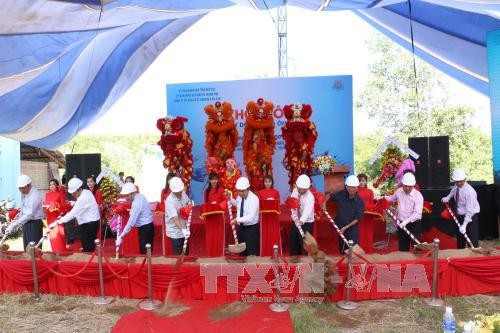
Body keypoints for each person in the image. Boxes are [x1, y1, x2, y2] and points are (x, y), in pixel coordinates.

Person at [50, 178, 101, 252]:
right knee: (88, 246)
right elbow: (82, 205)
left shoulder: (83, 198)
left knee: (88, 248)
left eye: (74, 192)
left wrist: (57, 222)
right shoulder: (86, 192)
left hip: (89, 225)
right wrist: (72, 203)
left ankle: (89, 261)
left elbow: (72, 215)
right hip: (90, 223)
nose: (73, 194)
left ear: (79, 189)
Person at [382, 173, 423, 251]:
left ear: (413, 185)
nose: (407, 188)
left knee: (417, 247)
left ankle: (418, 262)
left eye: (409, 186)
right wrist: (382, 198)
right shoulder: (399, 191)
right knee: (403, 248)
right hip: (401, 223)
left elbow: (417, 214)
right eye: (405, 186)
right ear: (402, 184)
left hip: (413, 224)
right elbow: (391, 198)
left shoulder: (418, 196)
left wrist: (406, 222)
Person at [441, 168, 480, 248]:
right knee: (460, 240)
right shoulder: (456, 186)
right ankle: (461, 255)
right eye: (456, 181)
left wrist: (464, 225)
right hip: (459, 215)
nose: (458, 183)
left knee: (472, 240)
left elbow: (469, 211)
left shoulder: (470, 192)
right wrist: (448, 197)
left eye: (461, 181)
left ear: (465, 179)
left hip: (470, 217)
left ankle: (473, 257)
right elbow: (453, 190)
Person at [327, 175, 365, 253]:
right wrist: (324, 203)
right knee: (342, 250)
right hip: (341, 227)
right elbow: (329, 195)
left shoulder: (360, 202)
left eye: (354, 187)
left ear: (357, 188)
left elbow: (357, 218)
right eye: (349, 187)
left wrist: (346, 227)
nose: (351, 189)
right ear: (346, 186)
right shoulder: (341, 194)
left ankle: (353, 264)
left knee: (353, 252)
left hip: (351, 229)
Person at [5, 175, 44, 249]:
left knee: (33, 250)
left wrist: (13, 225)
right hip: (26, 223)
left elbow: (28, 215)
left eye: (23, 188)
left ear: (29, 185)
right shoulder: (27, 193)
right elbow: (23, 209)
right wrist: (15, 220)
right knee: (26, 249)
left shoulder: (34, 196)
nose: (21, 190)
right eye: (20, 188)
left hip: (34, 224)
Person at [116, 183, 154, 254]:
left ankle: (146, 264)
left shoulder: (136, 203)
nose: (126, 198)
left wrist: (121, 236)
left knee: (145, 251)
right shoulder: (140, 196)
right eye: (125, 196)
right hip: (147, 226)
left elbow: (131, 222)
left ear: (132, 193)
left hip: (145, 228)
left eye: (127, 195)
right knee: (146, 250)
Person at [230, 177, 260, 256]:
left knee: (251, 253)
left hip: (251, 229)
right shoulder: (240, 196)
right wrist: (230, 199)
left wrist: (237, 220)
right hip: (241, 228)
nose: (240, 193)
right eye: (239, 191)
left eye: (243, 191)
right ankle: (242, 268)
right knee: (242, 253)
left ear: (248, 189)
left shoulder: (254, 199)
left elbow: (251, 217)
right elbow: (238, 204)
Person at [289, 174, 315, 256]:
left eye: (304, 189)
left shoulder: (310, 197)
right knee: (293, 242)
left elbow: (307, 212)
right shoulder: (295, 191)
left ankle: (305, 265)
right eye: (300, 189)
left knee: (305, 247)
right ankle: (293, 263)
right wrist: (295, 218)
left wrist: (301, 221)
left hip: (306, 223)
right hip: (296, 221)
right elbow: (292, 205)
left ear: (308, 188)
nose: (302, 191)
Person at [165, 177, 191, 255]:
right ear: (173, 191)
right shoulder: (170, 201)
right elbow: (175, 218)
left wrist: (190, 204)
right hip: (175, 231)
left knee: (186, 251)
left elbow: (188, 201)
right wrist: (182, 230)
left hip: (184, 226)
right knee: (178, 253)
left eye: (180, 190)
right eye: (178, 191)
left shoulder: (182, 193)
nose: (180, 192)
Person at [258, 175, 281, 256]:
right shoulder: (260, 193)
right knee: (265, 234)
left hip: (274, 217)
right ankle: (265, 252)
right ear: (263, 183)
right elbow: (259, 205)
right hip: (264, 217)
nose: (267, 183)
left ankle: (275, 252)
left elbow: (278, 204)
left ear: (272, 183)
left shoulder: (276, 192)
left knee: (273, 234)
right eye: (266, 182)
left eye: (269, 182)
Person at [44, 179, 66, 253]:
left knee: (59, 235)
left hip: (57, 217)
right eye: (50, 185)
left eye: (53, 184)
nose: (51, 186)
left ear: (57, 185)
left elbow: (63, 206)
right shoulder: (47, 194)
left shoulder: (60, 194)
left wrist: (57, 206)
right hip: (49, 216)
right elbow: (45, 204)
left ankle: (61, 251)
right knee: (52, 235)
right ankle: (53, 251)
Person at [357, 173, 375, 253]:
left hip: (368, 216)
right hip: (358, 215)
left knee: (368, 233)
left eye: (363, 181)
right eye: (359, 181)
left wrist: (372, 212)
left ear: (366, 182)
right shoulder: (354, 191)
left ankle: (368, 250)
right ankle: (359, 251)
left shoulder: (370, 191)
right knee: (359, 233)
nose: (361, 182)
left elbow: (372, 204)